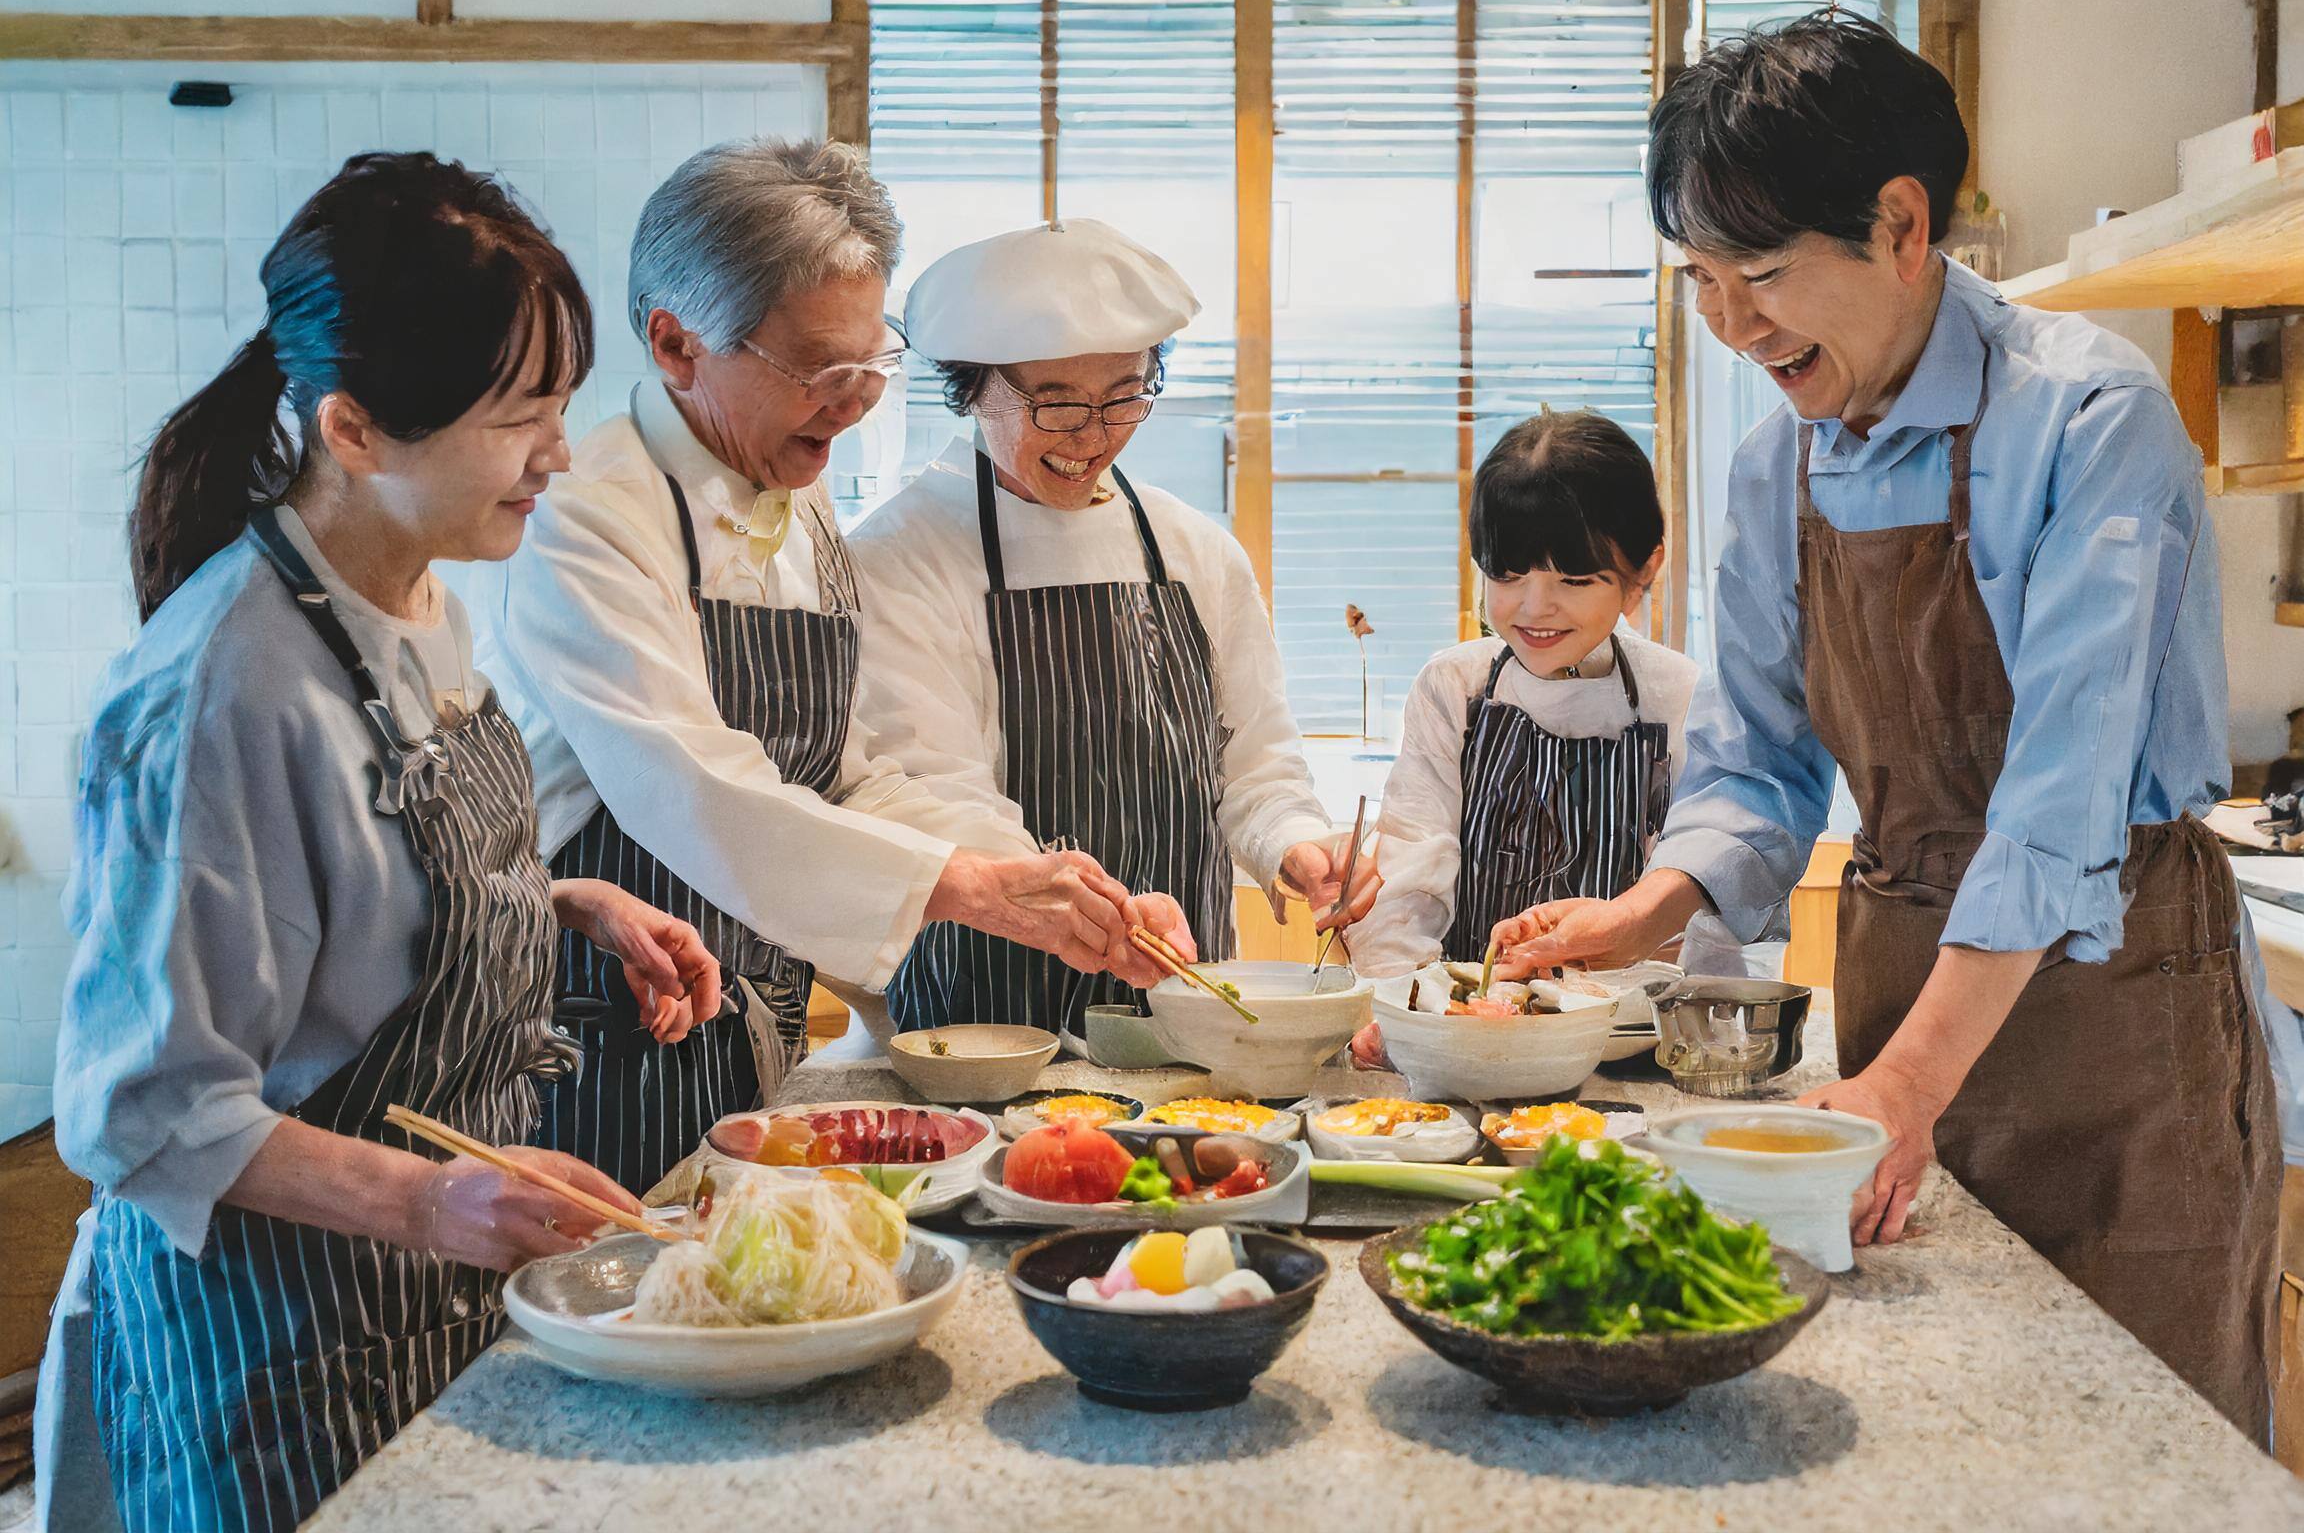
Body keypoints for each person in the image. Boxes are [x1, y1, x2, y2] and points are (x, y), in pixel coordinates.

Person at [1493, 11, 2284, 1438]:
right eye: (1700, 282)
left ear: (1903, 224)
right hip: (1893, 1003)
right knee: (1921, 1431)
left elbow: (2062, 801)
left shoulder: (2091, 422)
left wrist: (1908, 1082)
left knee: (2132, 1449)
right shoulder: (1773, 462)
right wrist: (1646, 911)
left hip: (2112, 1030)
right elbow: (1757, 761)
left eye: (1765, 275)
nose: (1733, 325)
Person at [42, 153, 717, 1532]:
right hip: (273, 1354)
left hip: (428, 1319)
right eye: (518, 417)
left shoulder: (416, 595)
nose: (561, 455)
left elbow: (357, 904)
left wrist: (563, 900)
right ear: (352, 430)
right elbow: (145, 1107)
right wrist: (435, 1206)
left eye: (560, 408)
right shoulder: (221, 692)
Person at [471, 144, 1175, 1196]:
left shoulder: (798, 500)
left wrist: (1033, 878)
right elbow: (696, 788)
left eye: (869, 367)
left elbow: (846, 769)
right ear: (676, 342)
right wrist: (966, 886)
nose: (851, 405)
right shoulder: (590, 512)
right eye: (816, 370)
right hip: (593, 1026)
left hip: (753, 1029)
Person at [848, 218, 1376, 1042]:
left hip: (1192, 1012)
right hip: (987, 1026)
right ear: (973, 386)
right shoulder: (898, 557)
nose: (1092, 438)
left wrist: (1299, 848)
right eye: (1055, 405)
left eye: (1124, 395)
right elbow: (933, 793)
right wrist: (1081, 906)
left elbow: (1256, 767)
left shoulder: (1195, 552)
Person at [1341, 410, 1740, 998]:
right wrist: (1409, 1004)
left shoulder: (1681, 697)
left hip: (1629, 1027)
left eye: (1575, 581)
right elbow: (1410, 885)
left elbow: (1711, 917)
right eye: (1506, 575)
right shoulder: (1455, 688)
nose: (1535, 608)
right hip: (1471, 1026)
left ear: (1644, 569)